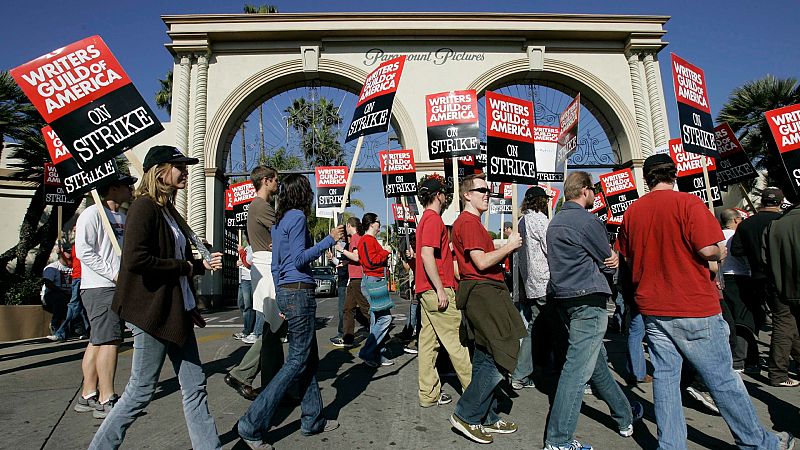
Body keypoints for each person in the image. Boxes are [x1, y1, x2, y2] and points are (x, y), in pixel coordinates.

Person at [617, 154, 794, 450]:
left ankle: (672, 445)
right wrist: (719, 253)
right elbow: (707, 249)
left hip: (654, 307)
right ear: (674, 175)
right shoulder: (688, 204)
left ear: (647, 179)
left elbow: (626, 255)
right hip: (693, 305)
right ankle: (757, 443)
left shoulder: (633, 212)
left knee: (666, 380)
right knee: (722, 380)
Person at [89, 146, 223, 449]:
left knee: (194, 385)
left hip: (176, 311)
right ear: (161, 170)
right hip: (152, 313)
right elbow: (136, 259)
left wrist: (193, 282)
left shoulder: (167, 209)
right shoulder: (143, 207)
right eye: (180, 166)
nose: (185, 171)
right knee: (140, 390)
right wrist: (185, 266)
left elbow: (175, 258)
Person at [237, 173, 343, 449]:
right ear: (303, 194)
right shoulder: (296, 217)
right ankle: (252, 422)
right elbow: (298, 258)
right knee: (297, 361)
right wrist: (327, 241)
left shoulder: (281, 221)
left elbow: (276, 264)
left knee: (308, 360)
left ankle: (312, 418)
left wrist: (280, 296)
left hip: (287, 290)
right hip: (299, 291)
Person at [543, 171, 640, 450]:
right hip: (588, 300)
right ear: (584, 190)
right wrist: (609, 261)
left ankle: (624, 415)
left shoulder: (556, 221)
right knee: (576, 371)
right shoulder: (587, 221)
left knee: (595, 366)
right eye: (593, 190)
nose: (595, 194)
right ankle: (559, 440)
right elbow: (608, 259)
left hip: (565, 299)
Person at [450, 173, 525, 444]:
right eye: (481, 189)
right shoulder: (468, 223)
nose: (487, 193)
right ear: (466, 194)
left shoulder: (471, 224)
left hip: (482, 292)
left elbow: (464, 265)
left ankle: (488, 415)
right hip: (483, 292)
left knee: (485, 355)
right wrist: (509, 247)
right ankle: (467, 414)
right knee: (503, 351)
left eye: (488, 190)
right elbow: (480, 263)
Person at [73, 173, 135, 419]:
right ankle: (106, 397)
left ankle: (88, 394)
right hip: (100, 287)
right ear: (112, 188)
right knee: (110, 340)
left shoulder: (121, 216)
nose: (131, 189)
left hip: (115, 286)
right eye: (126, 186)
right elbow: (83, 251)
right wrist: (112, 274)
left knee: (98, 340)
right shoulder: (91, 214)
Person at [414, 174, 472, 408]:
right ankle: (476, 394)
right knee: (457, 343)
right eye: (445, 194)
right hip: (437, 288)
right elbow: (427, 254)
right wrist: (440, 289)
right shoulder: (433, 219)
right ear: (438, 195)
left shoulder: (425, 219)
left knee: (429, 344)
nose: (446, 197)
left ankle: (428, 394)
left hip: (426, 289)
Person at [732, 187, 800, 387]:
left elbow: (753, 254)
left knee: (786, 325)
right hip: (781, 281)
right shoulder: (778, 222)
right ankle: (777, 372)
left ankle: (781, 369)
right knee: (785, 326)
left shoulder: (761, 225)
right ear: (780, 202)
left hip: (771, 280)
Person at [226, 165, 283, 401]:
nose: (277, 184)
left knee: (274, 327)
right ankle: (242, 373)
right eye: (276, 180)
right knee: (274, 326)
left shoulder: (257, 206)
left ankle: (275, 384)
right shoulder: (262, 206)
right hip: (268, 267)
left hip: (264, 266)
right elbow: (282, 234)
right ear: (267, 181)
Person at [511, 186, 550, 390]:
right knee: (563, 328)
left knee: (534, 328)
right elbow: (551, 248)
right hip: (545, 282)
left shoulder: (521, 221)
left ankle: (521, 373)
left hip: (531, 283)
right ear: (541, 201)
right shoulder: (539, 220)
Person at [719, 209, 762, 374]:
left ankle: (744, 358)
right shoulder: (738, 235)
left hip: (723, 279)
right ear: (736, 220)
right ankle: (740, 360)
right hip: (740, 278)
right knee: (743, 322)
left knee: (730, 322)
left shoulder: (717, 234)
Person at [357, 212, 394, 367]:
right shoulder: (366, 240)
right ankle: (369, 351)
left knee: (376, 318)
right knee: (385, 318)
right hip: (373, 281)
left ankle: (375, 353)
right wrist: (386, 252)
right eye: (378, 222)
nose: (380, 224)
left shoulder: (368, 240)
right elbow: (372, 260)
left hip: (374, 280)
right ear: (372, 223)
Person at [763, 191, 800, 342]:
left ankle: (778, 366)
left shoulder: (776, 224)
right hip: (785, 287)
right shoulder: (776, 222)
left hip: (784, 288)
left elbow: (765, 259)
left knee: (785, 327)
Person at [333, 216, 371, 348]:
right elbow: (355, 258)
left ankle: (379, 332)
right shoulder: (358, 237)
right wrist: (343, 262)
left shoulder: (355, 238)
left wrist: (341, 250)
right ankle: (348, 338)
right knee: (348, 308)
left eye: (346, 227)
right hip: (355, 278)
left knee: (365, 309)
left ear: (349, 225)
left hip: (357, 279)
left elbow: (356, 256)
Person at [50, 243, 89, 341]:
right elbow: (70, 263)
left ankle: (61, 333)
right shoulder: (74, 246)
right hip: (76, 278)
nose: (75, 231)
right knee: (80, 308)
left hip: (83, 277)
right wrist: (61, 254)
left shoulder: (86, 243)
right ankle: (88, 332)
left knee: (74, 306)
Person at [42, 244, 72, 339]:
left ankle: (81, 329)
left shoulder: (75, 267)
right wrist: (61, 292)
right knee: (59, 300)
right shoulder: (52, 267)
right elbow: (48, 283)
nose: (70, 255)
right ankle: (55, 325)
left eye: (71, 253)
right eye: (67, 253)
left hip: (70, 294)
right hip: (53, 295)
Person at [234, 240, 256, 343]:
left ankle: (247, 331)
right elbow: (244, 262)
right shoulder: (247, 248)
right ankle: (250, 327)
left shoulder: (253, 247)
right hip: (242, 279)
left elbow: (248, 263)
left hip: (249, 280)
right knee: (241, 304)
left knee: (248, 306)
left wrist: (241, 251)